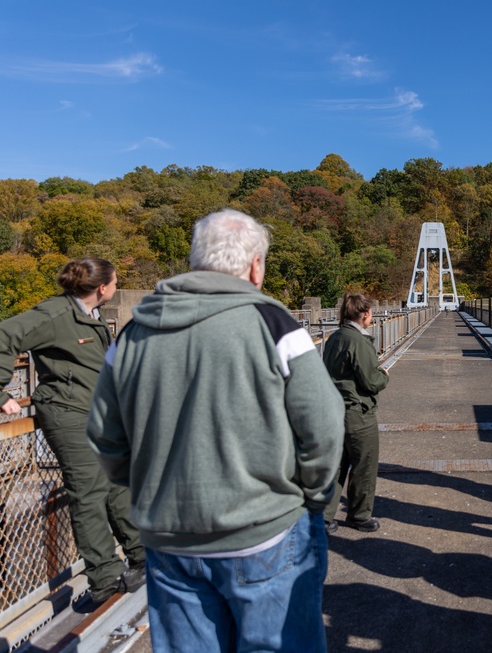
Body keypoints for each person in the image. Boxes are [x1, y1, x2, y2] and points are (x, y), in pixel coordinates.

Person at [87, 209, 344, 652]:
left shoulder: (132, 333)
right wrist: (316, 498)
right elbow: (323, 425)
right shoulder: (275, 324)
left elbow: (105, 436)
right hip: (264, 532)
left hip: (169, 542)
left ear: (196, 259)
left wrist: (151, 490)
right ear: (255, 265)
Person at [0, 258, 145, 604]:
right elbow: (5, 334)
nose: (116, 287)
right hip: (67, 414)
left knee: (117, 482)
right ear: (102, 288)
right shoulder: (54, 315)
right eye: (115, 282)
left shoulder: (90, 317)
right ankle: (105, 577)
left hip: (97, 413)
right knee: (89, 490)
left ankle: (142, 556)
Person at [323, 293, 389, 534]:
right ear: (364, 314)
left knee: (336, 467)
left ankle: (324, 517)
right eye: (370, 313)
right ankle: (359, 515)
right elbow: (371, 381)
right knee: (364, 465)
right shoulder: (359, 342)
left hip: (333, 411)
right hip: (357, 412)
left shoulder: (335, 337)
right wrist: (384, 376)